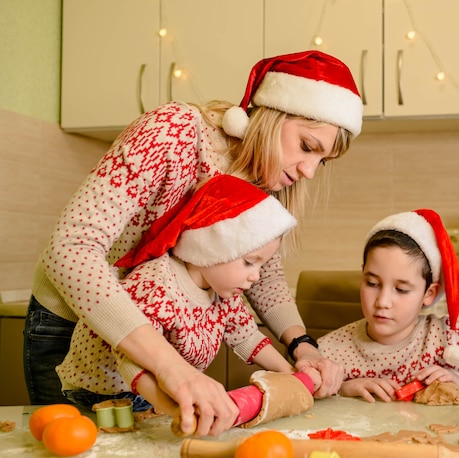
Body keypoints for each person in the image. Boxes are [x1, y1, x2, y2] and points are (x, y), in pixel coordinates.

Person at [24, 50, 363, 436]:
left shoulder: (266, 177)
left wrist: (301, 347)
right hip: (77, 327)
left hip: (156, 344)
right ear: (273, 115)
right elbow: (70, 249)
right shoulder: (174, 131)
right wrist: (172, 368)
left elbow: (264, 273)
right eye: (307, 146)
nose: (309, 171)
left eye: (323, 161)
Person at [55, 174, 300, 421]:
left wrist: (292, 375)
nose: (255, 277)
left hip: (156, 385)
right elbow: (131, 363)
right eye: (249, 263)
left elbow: (246, 336)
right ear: (212, 247)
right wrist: (175, 411)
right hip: (103, 392)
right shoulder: (156, 287)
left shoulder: (224, 293)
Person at [318, 209, 459, 403]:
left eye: (402, 290)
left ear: (429, 293)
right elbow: (296, 388)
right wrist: (343, 388)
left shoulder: (446, 338)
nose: (382, 302)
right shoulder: (328, 351)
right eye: (372, 283)